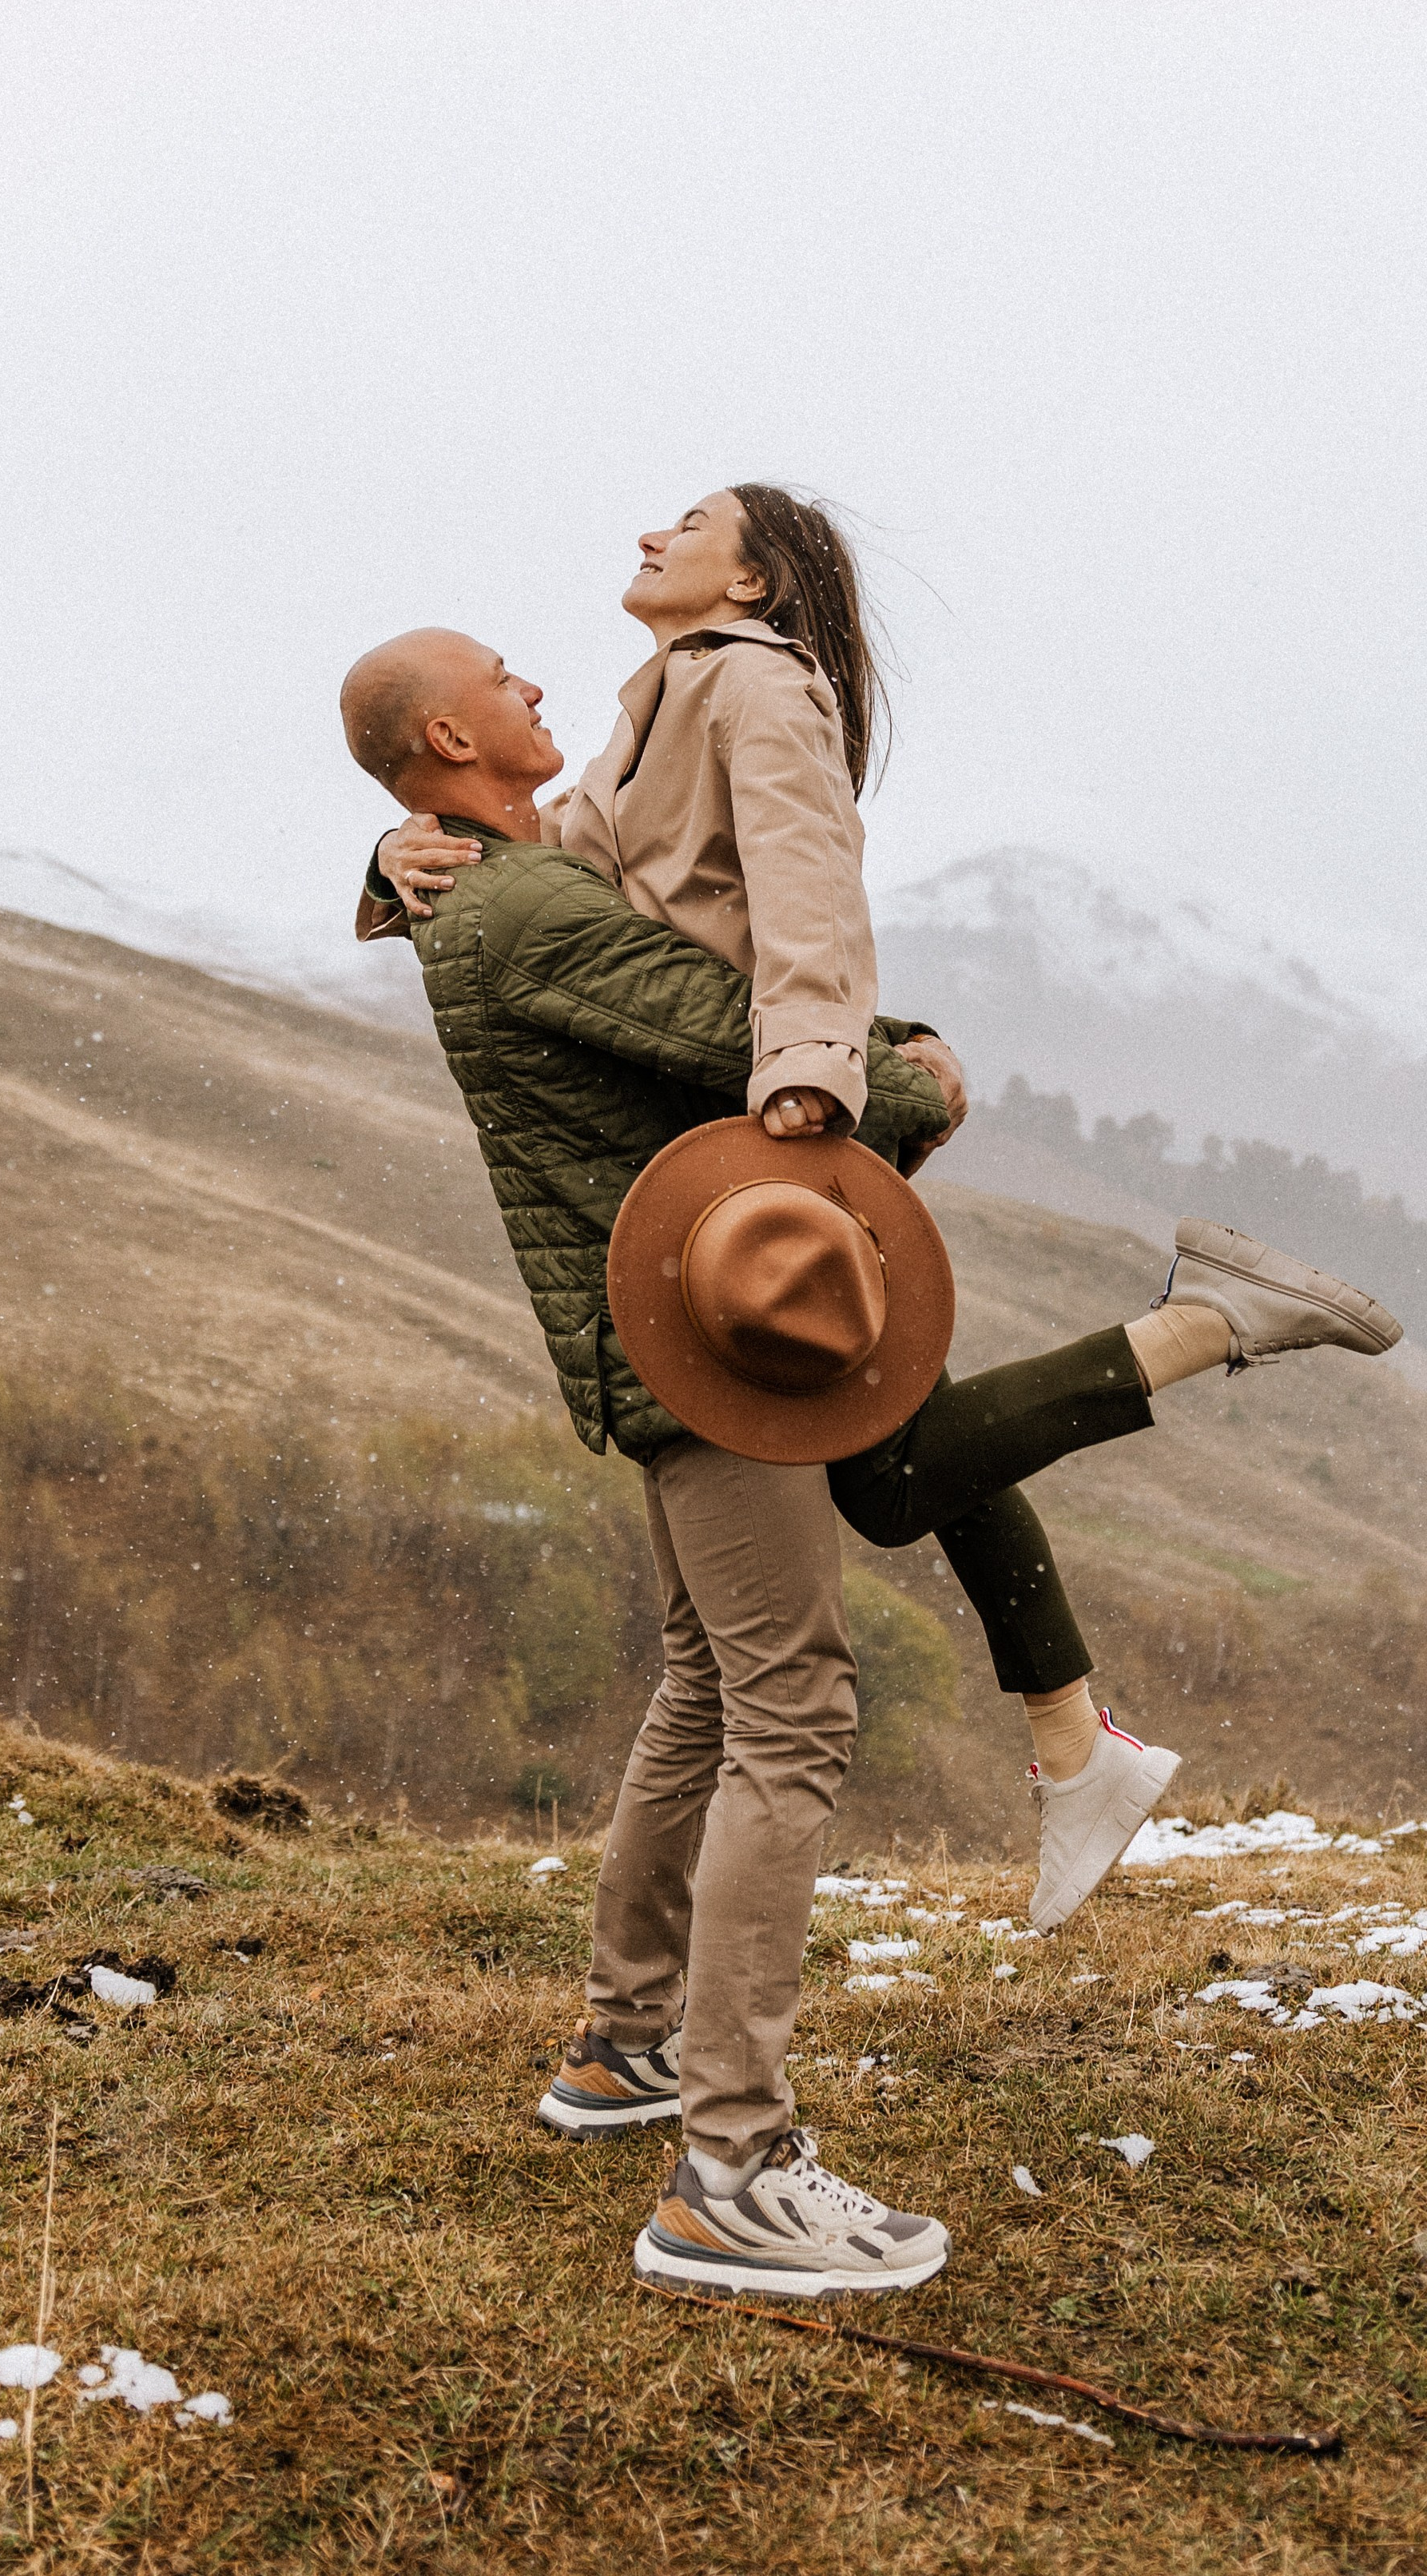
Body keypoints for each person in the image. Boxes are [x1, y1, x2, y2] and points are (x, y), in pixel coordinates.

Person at [338, 624, 1402, 2297]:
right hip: (702, 1344)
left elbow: (649, 988)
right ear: (451, 736)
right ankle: (730, 2172)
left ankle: (628, 2046)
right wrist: (904, 1072)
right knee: (789, 1714)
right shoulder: (523, 909)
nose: (541, 685)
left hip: (674, 1328)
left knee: (706, 1687)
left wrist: (385, 865)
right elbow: (742, 1039)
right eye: (506, 679)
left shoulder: (480, 883)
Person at [358, 489, 1223, 1913]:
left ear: (751, 576)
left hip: (764, 1116)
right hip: (724, 1133)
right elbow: (541, 870)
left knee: (871, 1488)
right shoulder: (652, 709)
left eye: (687, 520)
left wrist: (839, 1080)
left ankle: (1195, 1365)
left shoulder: (752, 682)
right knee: (899, 1450)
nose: (647, 529)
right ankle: (1078, 1727)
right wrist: (398, 858)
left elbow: (807, 894)